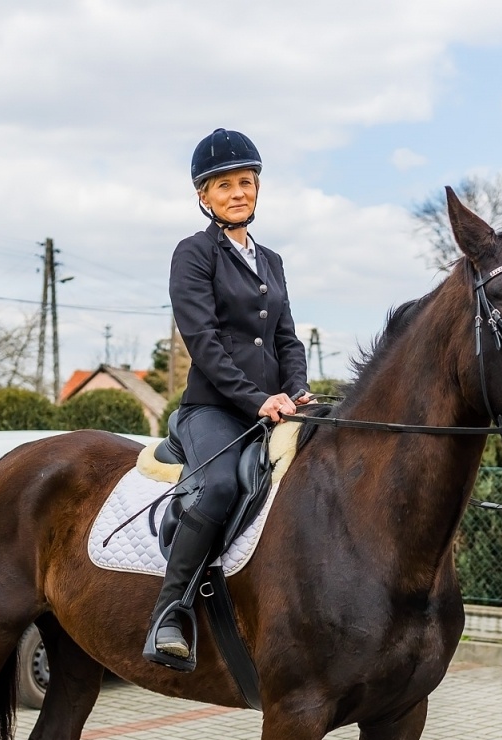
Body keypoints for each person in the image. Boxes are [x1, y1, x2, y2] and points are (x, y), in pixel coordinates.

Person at [144, 128, 312, 669]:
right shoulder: (193, 254)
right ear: (203, 196)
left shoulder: (273, 261)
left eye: (246, 182)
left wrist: (296, 389)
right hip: (212, 410)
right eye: (224, 185)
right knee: (216, 485)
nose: (238, 192)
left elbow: (286, 337)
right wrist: (258, 399)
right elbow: (204, 341)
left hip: (273, 406)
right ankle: (170, 613)